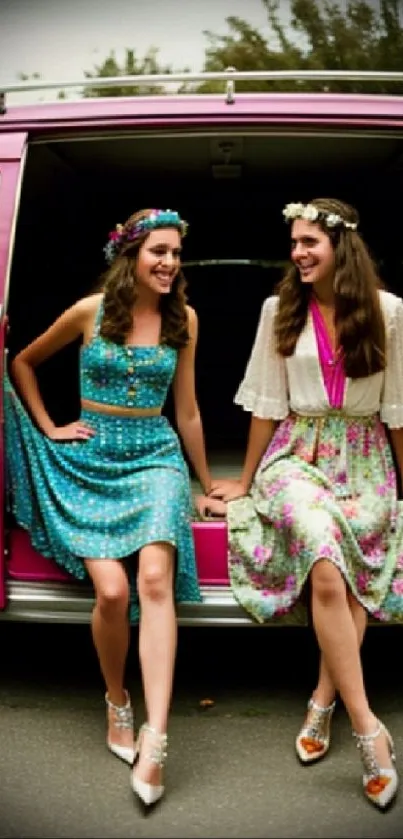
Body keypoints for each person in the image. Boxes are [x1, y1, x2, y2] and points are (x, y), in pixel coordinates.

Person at [4, 207, 214, 808]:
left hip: (155, 460)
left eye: (176, 253)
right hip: (90, 458)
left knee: (153, 579)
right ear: (130, 256)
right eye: (159, 252)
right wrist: (50, 427)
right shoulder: (88, 312)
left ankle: (157, 736)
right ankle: (116, 700)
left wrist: (206, 484)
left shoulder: (185, 320)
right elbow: (21, 362)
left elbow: (190, 411)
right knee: (113, 595)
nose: (170, 263)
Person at [200, 197, 403, 810]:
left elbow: (397, 410)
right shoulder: (279, 309)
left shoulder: (390, 311)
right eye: (294, 242)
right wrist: (248, 478)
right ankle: (369, 731)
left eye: (309, 241)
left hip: (365, 457)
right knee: (321, 547)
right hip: (298, 455)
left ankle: (323, 700)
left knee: (353, 561)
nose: (298, 253)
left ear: (341, 245)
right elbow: (266, 402)